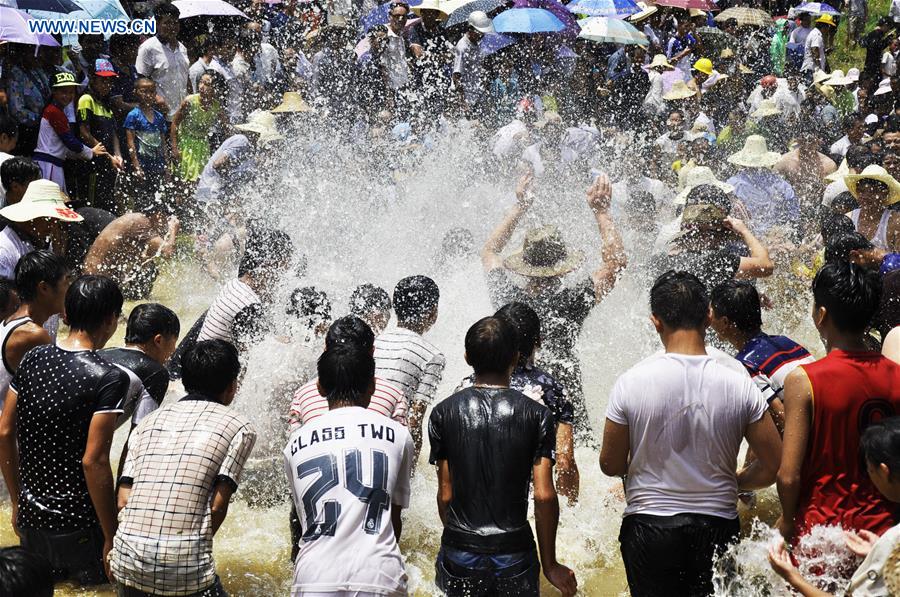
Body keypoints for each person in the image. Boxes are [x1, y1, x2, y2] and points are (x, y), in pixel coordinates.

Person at [600, 270, 781, 597]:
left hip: (649, 528)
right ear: (709, 316)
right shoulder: (738, 380)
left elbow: (611, 465)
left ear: (656, 321)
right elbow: (773, 464)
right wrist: (735, 481)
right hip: (717, 525)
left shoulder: (632, 381)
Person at [429, 316, 578, 597]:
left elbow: (445, 495)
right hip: (514, 553)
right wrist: (550, 565)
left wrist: (459, 541)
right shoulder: (538, 415)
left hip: (460, 552)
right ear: (515, 357)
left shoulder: (443, 413)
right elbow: (544, 496)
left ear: (467, 357)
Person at [0, 275, 129, 585]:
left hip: (31, 519)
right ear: (111, 320)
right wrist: (112, 536)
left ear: (67, 314)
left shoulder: (33, 358)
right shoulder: (109, 377)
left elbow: (5, 432)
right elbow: (94, 460)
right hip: (79, 525)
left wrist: (18, 502)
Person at [482, 173, 626, 441]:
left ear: (523, 266)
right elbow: (616, 264)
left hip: (511, 398)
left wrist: (520, 207)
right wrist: (602, 212)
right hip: (563, 397)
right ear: (562, 268)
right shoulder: (571, 301)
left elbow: (490, 252)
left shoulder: (506, 297)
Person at [110, 339, 256, 597]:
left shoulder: (148, 423)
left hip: (125, 560)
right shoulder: (239, 427)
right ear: (232, 386)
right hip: (187, 569)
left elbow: (123, 500)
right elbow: (217, 507)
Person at [778, 262, 900, 547]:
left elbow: (788, 476)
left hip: (823, 532)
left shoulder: (804, 380)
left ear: (821, 315)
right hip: (884, 532)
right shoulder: (896, 375)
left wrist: (786, 520)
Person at [284, 342, 414, 596]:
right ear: (373, 387)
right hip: (379, 572)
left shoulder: (295, 442)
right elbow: (394, 518)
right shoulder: (399, 435)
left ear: (320, 387)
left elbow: (304, 518)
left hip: (314, 575)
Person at [456, 302, 579, 503]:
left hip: (473, 508)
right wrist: (570, 514)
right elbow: (564, 463)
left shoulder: (464, 388)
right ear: (538, 341)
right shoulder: (553, 391)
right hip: (525, 508)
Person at [770, 417, 900, 596]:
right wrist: (877, 552)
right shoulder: (892, 543)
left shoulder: (894, 539)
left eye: (870, 471)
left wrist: (793, 577)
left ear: (884, 471)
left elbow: (787, 477)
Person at [710, 280, 815, 432]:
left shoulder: (745, 365)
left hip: (810, 441)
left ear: (725, 322)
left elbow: (782, 419)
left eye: (712, 313)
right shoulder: (786, 341)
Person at [374, 275, 445, 457]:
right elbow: (414, 419)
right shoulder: (432, 356)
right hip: (390, 443)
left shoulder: (374, 342)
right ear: (432, 313)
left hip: (360, 432)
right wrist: (409, 476)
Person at [197, 225, 293, 345]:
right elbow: (256, 354)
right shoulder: (248, 304)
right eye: (281, 269)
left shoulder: (235, 285)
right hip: (213, 362)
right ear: (267, 266)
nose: (280, 278)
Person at [0, 250, 71, 406]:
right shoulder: (32, 335)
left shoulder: (9, 322)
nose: (70, 290)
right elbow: (57, 394)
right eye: (66, 282)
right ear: (44, 288)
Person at [101, 302, 179, 427]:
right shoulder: (155, 373)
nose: (174, 350)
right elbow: (139, 436)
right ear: (158, 340)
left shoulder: (101, 353)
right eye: (174, 342)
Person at [33, 72, 106, 193]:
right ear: (54, 92)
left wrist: (83, 154)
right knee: (51, 203)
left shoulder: (56, 111)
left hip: (51, 163)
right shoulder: (54, 112)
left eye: (71, 92)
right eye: (63, 92)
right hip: (48, 165)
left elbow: (64, 147)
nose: (68, 96)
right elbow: (69, 141)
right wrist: (90, 152)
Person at [82, 209, 180, 299]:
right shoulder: (142, 223)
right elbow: (168, 252)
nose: (165, 226)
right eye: (166, 220)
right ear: (158, 215)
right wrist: (173, 230)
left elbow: (146, 256)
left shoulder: (136, 219)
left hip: (93, 274)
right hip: (98, 279)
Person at [0, 179, 83, 281]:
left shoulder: (43, 240)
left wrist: (58, 255)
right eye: (49, 219)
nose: (54, 225)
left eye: (56, 220)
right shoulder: (4, 249)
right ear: (32, 215)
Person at [75, 58, 124, 213]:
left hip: (109, 163)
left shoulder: (106, 104)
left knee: (108, 202)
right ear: (93, 79)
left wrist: (117, 154)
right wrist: (109, 156)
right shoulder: (86, 100)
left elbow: (114, 133)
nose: (107, 85)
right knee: (93, 204)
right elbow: (84, 133)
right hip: (93, 163)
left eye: (109, 81)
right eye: (103, 81)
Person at [725, 135, 799, 237]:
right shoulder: (781, 184)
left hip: (746, 239)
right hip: (776, 238)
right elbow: (794, 216)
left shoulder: (732, 184)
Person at [124, 78, 172, 214]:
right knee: (143, 201)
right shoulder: (133, 115)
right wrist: (136, 166)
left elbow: (163, 143)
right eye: (143, 91)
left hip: (158, 164)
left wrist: (167, 166)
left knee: (159, 200)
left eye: (151, 92)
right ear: (136, 93)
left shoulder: (159, 117)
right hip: (143, 165)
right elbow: (130, 142)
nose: (148, 95)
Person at [171, 70, 229, 183]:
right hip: (185, 144)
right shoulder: (189, 102)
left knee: (200, 181)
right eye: (201, 82)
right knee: (183, 181)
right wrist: (174, 148)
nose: (202, 87)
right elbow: (175, 123)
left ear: (215, 89)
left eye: (207, 84)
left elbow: (227, 128)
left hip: (203, 146)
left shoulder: (217, 107)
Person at [135, 3, 190, 120]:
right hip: (159, 115)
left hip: (182, 115)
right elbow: (140, 80)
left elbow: (186, 77)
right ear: (157, 24)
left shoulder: (182, 49)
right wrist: (156, 98)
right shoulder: (148, 48)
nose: (172, 27)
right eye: (167, 23)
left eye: (175, 23)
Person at [845, 164, 900, 252]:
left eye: (872, 191)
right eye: (862, 191)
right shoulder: (848, 218)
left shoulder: (895, 222)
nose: (866, 196)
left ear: (884, 194)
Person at [453, 12, 492, 115]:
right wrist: (462, 101)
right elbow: (456, 76)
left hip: (476, 93)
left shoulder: (476, 43)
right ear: (470, 29)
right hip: (465, 97)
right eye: (479, 32)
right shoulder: (462, 47)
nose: (482, 35)